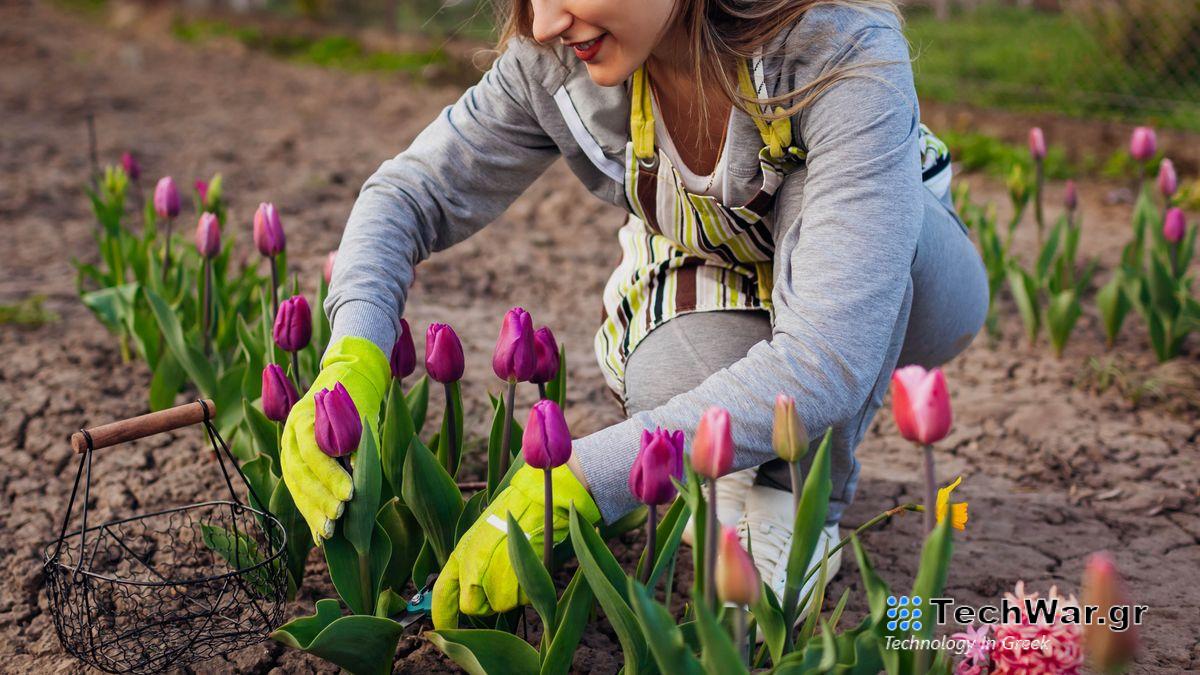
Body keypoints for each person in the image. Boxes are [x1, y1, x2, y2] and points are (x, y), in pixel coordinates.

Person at [278, 0, 988, 630]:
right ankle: (737, 465)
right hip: (716, 265)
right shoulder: (553, 60)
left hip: (898, 274)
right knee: (663, 394)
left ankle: (798, 498)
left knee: (832, 327)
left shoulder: (838, 46)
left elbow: (832, 352)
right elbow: (406, 196)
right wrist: (354, 351)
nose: (544, 20)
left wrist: (587, 474)